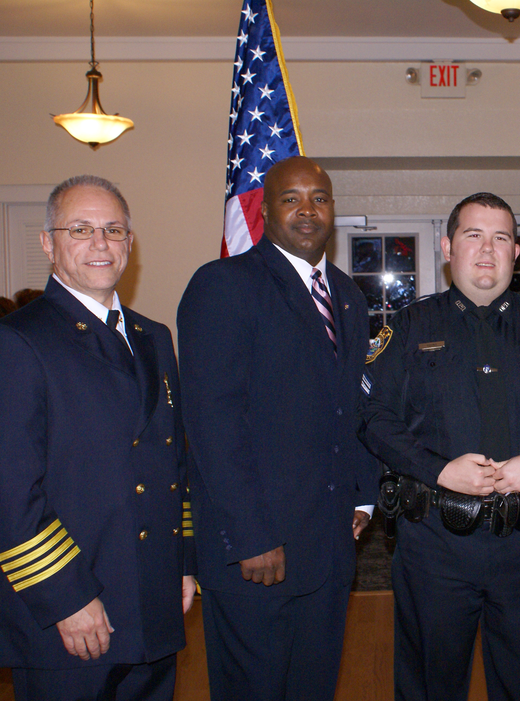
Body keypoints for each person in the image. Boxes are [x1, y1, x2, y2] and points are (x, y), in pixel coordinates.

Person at [359, 192, 520, 701]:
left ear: (515, 252)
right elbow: (371, 416)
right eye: (473, 235)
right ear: (447, 247)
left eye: (500, 238)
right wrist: (437, 470)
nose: (486, 249)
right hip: (434, 545)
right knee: (430, 685)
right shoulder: (407, 328)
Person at [177, 156, 377, 701]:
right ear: (265, 211)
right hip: (258, 554)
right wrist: (252, 536)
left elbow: (353, 406)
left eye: (320, 198)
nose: (307, 210)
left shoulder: (348, 295)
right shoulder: (224, 285)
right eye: (291, 198)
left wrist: (362, 495)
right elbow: (213, 422)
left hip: (329, 549)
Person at [0, 175, 196, 700]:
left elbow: (171, 464)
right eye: (80, 229)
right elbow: (11, 493)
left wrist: (181, 563)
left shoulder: (154, 336)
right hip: (69, 615)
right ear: (48, 243)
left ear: (130, 242)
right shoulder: (18, 340)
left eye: (113, 229)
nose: (100, 243)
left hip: (152, 603)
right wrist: (65, 598)